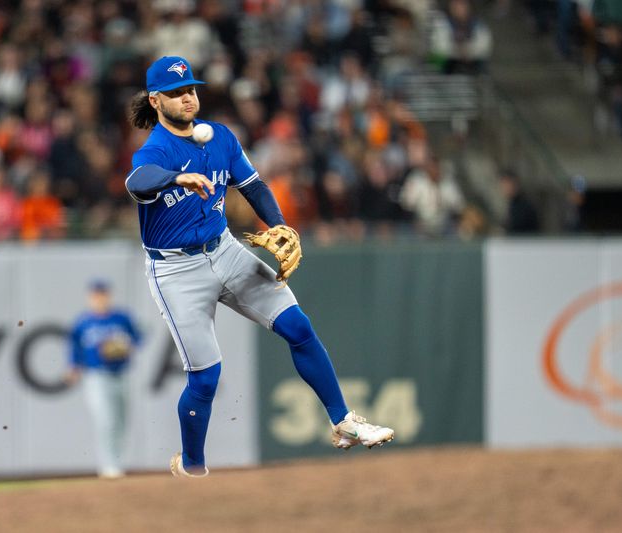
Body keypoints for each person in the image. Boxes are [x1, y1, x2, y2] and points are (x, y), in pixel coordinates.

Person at [125, 56, 394, 478]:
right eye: (176, 93)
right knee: (206, 379)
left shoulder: (221, 138)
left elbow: (253, 186)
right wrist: (177, 179)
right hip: (176, 270)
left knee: (299, 327)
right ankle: (192, 466)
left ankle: (343, 422)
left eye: (191, 89)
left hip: (226, 249)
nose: (188, 97)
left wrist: (281, 225)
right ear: (157, 101)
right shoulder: (155, 150)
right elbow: (137, 182)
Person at [65, 280, 141, 479]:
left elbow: (137, 338)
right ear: (90, 297)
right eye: (96, 295)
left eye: (103, 294)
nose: (100, 298)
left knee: (122, 421)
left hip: (121, 374)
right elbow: (74, 348)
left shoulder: (121, 318)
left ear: (108, 295)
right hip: (96, 376)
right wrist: (73, 368)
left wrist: (127, 346)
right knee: (106, 420)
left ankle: (117, 463)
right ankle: (108, 466)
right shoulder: (83, 322)